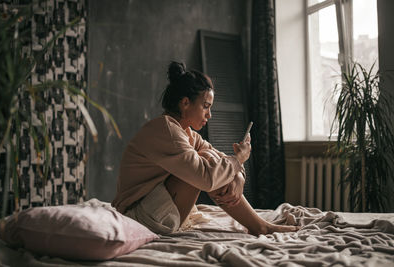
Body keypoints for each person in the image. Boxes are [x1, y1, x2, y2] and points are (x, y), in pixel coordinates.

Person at [112, 61, 299, 235]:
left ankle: (259, 226)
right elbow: (207, 178)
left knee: (211, 159)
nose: (209, 115)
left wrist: (239, 177)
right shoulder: (166, 130)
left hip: (154, 210)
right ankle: (260, 226)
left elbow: (221, 161)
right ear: (185, 103)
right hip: (137, 217)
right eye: (206, 106)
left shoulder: (188, 134)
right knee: (207, 162)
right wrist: (238, 160)